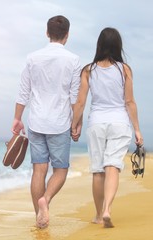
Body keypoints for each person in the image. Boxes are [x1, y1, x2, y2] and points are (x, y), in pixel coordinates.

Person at [11, 15, 81, 229]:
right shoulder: (73, 60)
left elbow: (24, 91)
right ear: (67, 35)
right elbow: (75, 97)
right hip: (60, 122)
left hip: (36, 121)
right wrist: (76, 123)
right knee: (60, 170)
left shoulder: (32, 58)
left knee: (38, 170)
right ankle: (46, 200)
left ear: (47, 33)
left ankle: (39, 217)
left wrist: (17, 117)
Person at [71, 27, 143, 228]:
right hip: (119, 122)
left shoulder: (88, 70)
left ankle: (97, 214)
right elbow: (129, 102)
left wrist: (74, 124)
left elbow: (80, 103)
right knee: (113, 166)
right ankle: (107, 210)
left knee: (98, 171)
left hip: (97, 123)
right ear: (118, 46)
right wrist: (137, 129)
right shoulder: (124, 69)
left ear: (99, 45)